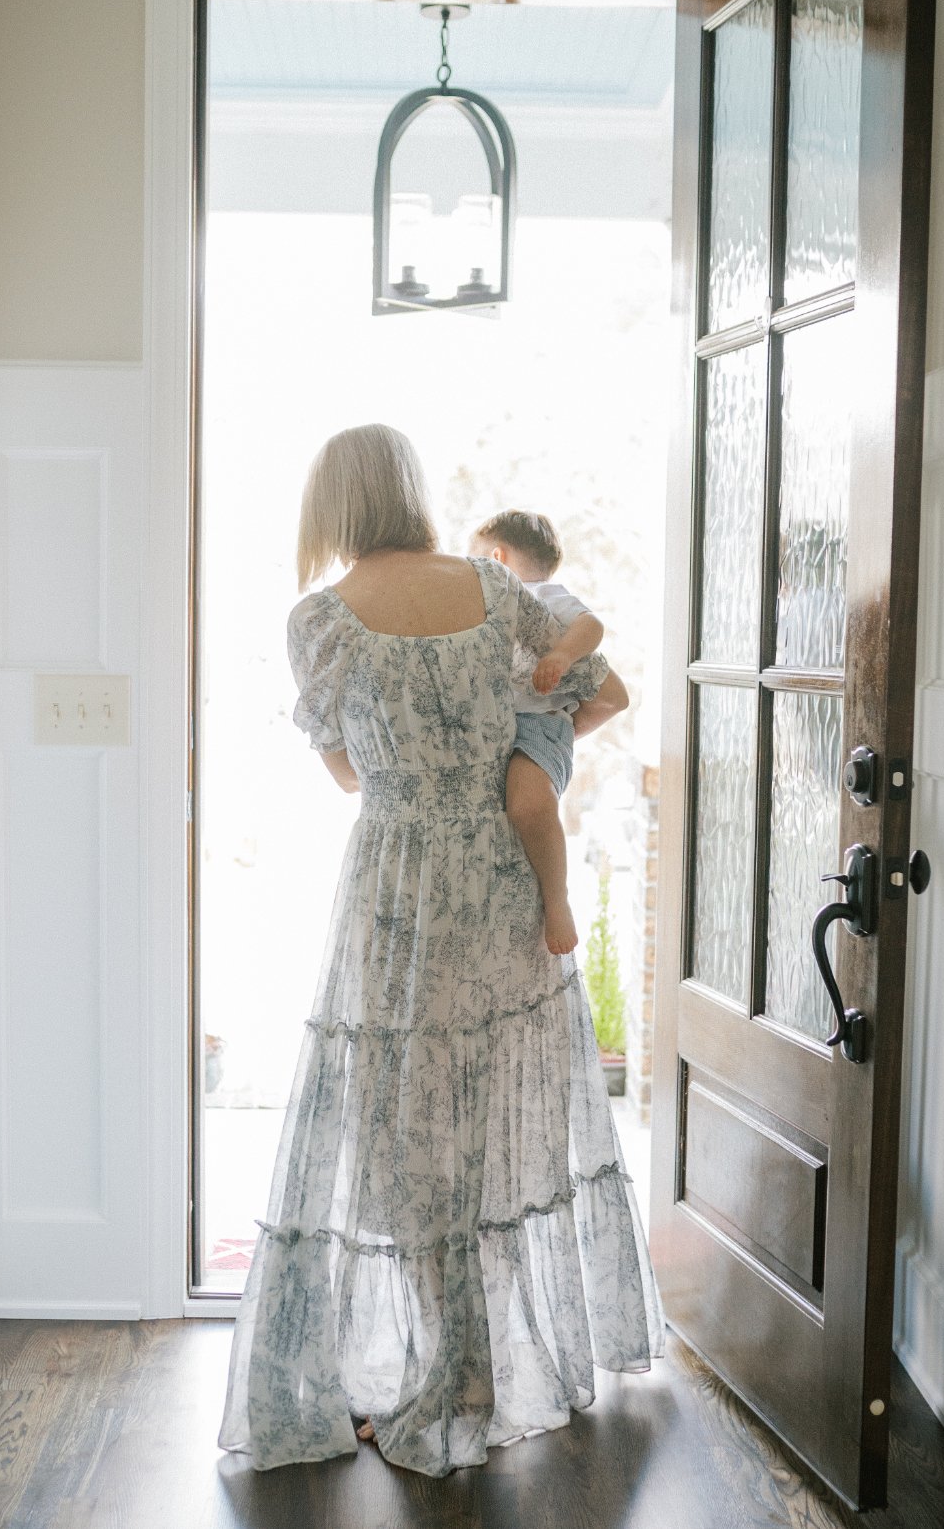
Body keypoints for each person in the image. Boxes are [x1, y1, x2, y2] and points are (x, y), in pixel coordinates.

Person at [218, 424, 664, 1479]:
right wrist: (515, 761)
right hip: (500, 885)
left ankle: (423, 1357)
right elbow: (592, 687)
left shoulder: (318, 622)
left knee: (395, 1130)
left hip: (395, 890)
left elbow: (346, 779)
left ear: (332, 507)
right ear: (411, 493)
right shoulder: (492, 588)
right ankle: (485, 1365)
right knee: (495, 1114)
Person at [471, 509, 605, 956]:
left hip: (539, 724)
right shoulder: (482, 609)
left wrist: (562, 656)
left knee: (530, 804)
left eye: (474, 562)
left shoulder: (543, 595)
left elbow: (591, 625)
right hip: (502, 725)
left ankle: (557, 899)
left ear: (496, 558)